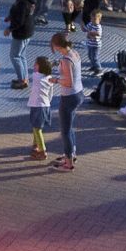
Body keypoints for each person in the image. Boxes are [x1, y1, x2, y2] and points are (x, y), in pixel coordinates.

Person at [49, 32, 84, 172]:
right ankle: (71, 153)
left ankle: (68, 163)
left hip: (69, 97)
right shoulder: (74, 53)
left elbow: (68, 82)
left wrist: (55, 80)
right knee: (70, 127)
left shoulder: (66, 60)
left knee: (65, 131)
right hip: (79, 93)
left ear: (57, 46)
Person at [26, 54, 54, 161]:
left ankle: (42, 151)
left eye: (36, 64)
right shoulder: (49, 78)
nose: (34, 65)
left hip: (37, 106)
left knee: (36, 129)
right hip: (45, 105)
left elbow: (27, 78)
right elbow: (50, 94)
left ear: (40, 66)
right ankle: (36, 146)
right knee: (37, 127)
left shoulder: (36, 76)